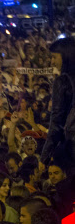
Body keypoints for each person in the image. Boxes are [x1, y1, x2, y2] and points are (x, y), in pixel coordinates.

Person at [41, 36, 75, 171]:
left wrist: (44, 156)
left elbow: (56, 122)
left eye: (54, 57)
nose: (52, 62)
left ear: (66, 56)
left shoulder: (62, 82)